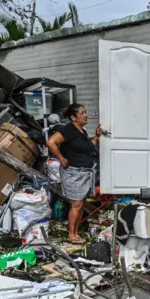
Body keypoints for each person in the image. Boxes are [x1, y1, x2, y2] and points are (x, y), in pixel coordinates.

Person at [46, 103, 102, 244]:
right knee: (76, 205)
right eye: (82, 113)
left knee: (81, 204)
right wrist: (62, 159)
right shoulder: (68, 129)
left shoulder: (81, 131)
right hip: (73, 173)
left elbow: (88, 147)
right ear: (73, 117)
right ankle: (71, 235)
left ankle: (76, 232)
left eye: (85, 112)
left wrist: (96, 136)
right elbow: (51, 142)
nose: (86, 115)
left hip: (84, 172)